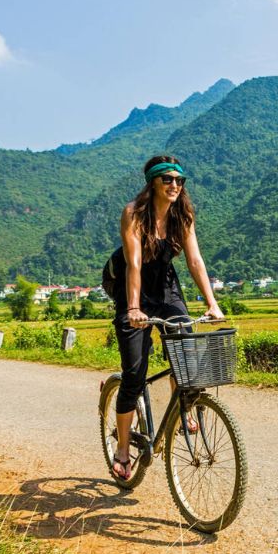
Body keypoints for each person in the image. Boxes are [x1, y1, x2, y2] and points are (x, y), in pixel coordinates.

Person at [106, 154, 224, 481]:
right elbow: (133, 265)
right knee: (134, 374)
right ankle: (122, 449)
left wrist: (212, 303)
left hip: (167, 287)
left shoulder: (182, 216)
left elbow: (195, 261)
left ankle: (184, 406)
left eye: (179, 180)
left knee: (185, 345)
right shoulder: (133, 214)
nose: (175, 185)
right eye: (167, 179)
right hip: (134, 288)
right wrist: (133, 309)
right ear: (153, 183)